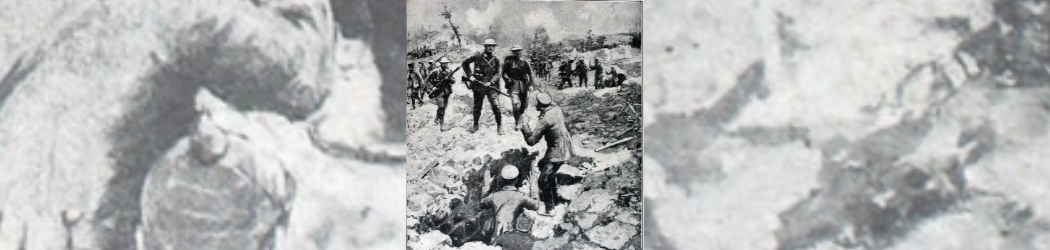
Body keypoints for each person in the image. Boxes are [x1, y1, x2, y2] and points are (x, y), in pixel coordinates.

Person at [519, 93, 575, 212]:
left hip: (557, 151)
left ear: (540, 105)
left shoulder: (545, 120)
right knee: (542, 166)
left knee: (543, 180)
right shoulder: (556, 109)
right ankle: (556, 196)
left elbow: (531, 141)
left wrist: (524, 126)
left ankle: (550, 209)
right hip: (565, 146)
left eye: (537, 105)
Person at [480, 165, 542, 243]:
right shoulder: (520, 196)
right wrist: (534, 184)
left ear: (502, 180)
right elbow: (536, 205)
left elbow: (482, 204)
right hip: (514, 237)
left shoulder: (494, 195)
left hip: (496, 235)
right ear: (516, 180)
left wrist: (487, 185)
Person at [462, 38, 504, 134]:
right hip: (479, 86)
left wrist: (491, 82)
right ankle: (475, 125)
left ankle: (500, 127)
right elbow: (465, 63)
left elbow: (498, 73)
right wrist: (470, 75)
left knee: (496, 106)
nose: (491, 48)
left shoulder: (497, 59)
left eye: (492, 46)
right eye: (489, 46)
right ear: (485, 47)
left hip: (491, 87)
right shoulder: (478, 56)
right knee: (477, 107)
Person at [502, 45, 534, 130]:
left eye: (519, 51)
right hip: (513, 85)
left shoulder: (524, 61)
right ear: (513, 52)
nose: (517, 52)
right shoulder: (509, 62)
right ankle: (517, 121)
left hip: (523, 84)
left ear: (521, 51)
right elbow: (504, 73)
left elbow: (530, 73)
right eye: (515, 51)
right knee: (515, 104)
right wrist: (507, 79)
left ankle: (521, 114)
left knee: (524, 104)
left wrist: (531, 84)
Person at [427, 57, 456, 131]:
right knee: (441, 108)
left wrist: (449, 79)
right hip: (438, 92)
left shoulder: (449, 71)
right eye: (444, 63)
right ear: (441, 64)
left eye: (446, 63)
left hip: (447, 91)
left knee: (444, 107)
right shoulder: (436, 71)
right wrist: (432, 87)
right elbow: (427, 80)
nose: (445, 65)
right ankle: (441, 125)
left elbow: (453, 81)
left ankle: (437, 118)